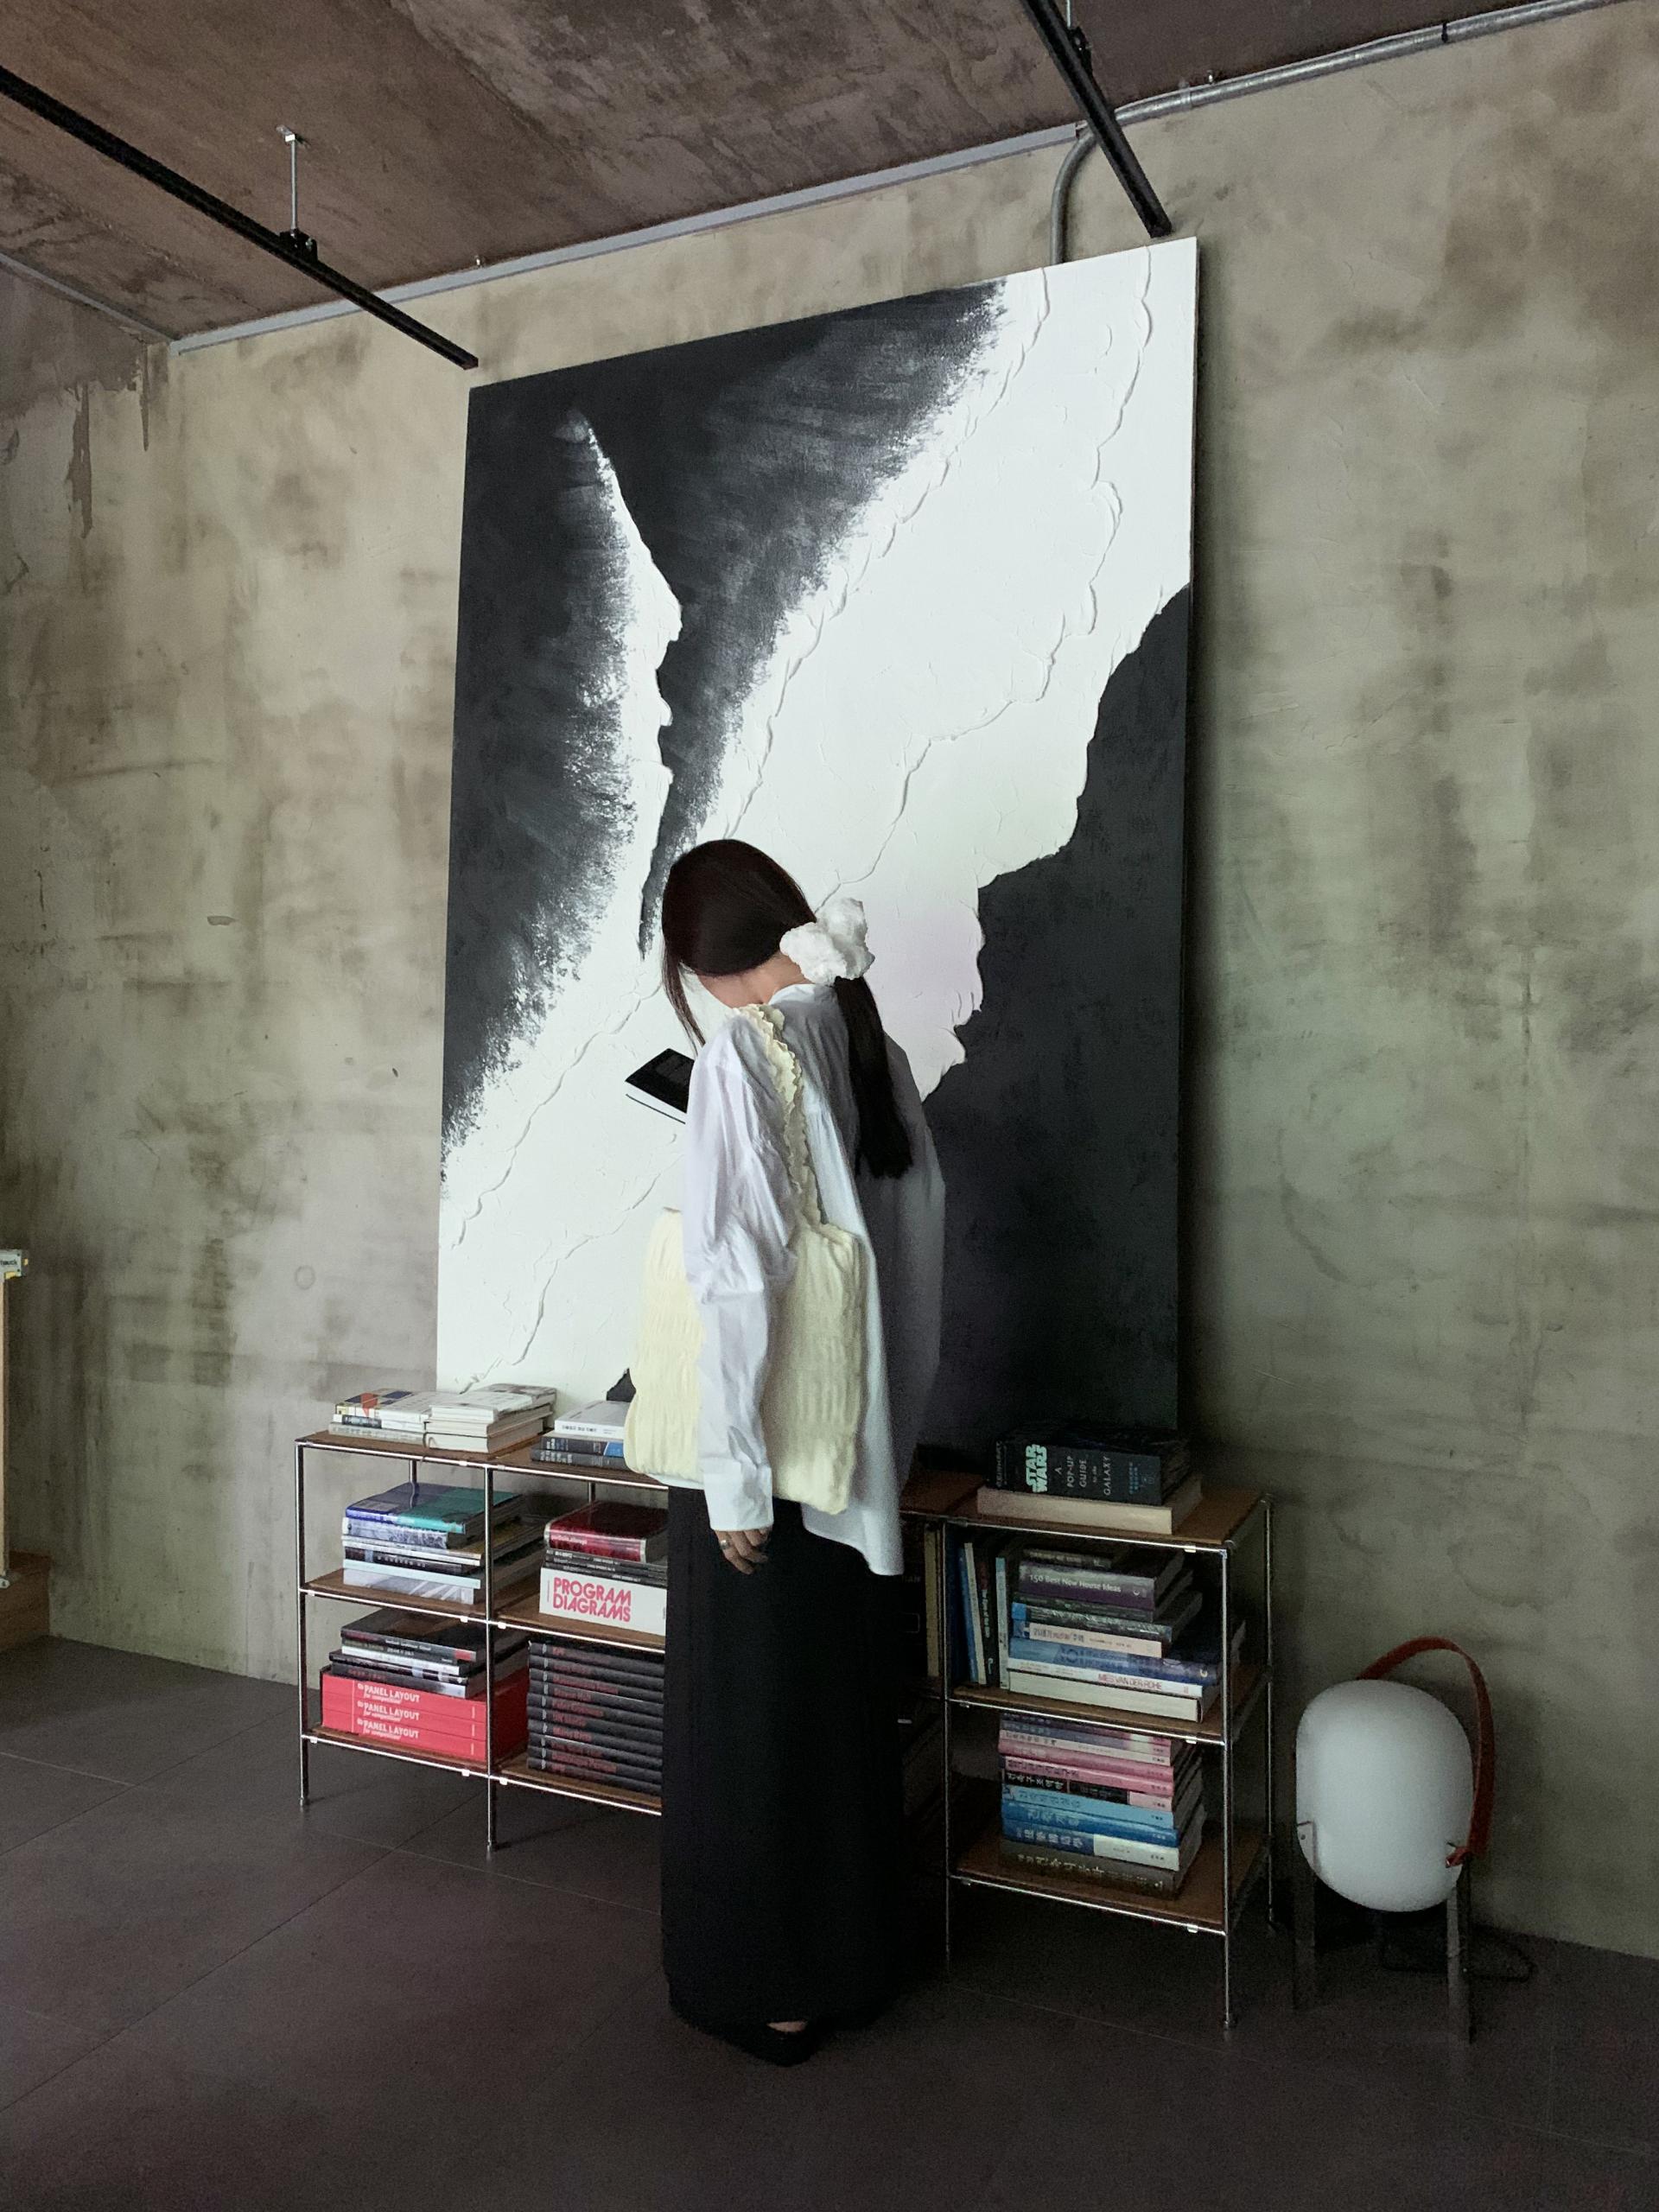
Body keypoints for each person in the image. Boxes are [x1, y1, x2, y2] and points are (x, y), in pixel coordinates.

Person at [655, 839, 945, 2066]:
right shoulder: (865, 1037)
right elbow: (913, 1242)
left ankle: (771, 1989)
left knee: (749, 1725)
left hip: (766, 1453)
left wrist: (730, 1474)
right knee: (835, 1714)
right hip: (851, 1444)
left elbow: (737, 1281)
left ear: (697, 965)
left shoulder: (741, 1054)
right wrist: (890, 1427)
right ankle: (850, 1965)